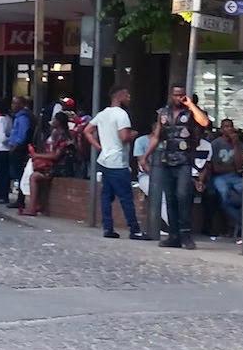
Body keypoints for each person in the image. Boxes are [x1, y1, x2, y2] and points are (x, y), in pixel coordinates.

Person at [146, 85, 209, 248]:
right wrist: (145, 155)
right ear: (170, 95)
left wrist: (191, 105)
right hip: (167, 159)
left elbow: (204, 121)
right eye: (175, 95)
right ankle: (174, 235)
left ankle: (186, 234)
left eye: (181, 95)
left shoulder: (190, 112)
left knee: (183, 195)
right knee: (171, 197)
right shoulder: (163, 113)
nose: (178, 98)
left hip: (184, 160)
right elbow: (157, 136)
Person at [88, 89, 147, 239]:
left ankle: (108, 228)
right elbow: (123, 137)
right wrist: (133, 134)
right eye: (127, 95)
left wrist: (98, 146)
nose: (129, 98)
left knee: (106, 196)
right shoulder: (122, 115)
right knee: (126, 196)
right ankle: (134, 229)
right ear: (118, 96)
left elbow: (87, 130)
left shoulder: (102, 114)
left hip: (104, 159)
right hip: (118, 161)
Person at [200, 119, 243, 241]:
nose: (228, 129)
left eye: (230, 127)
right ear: (221, 129)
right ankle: (241, 223)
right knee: (224, 195)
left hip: (234, 177)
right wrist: (232, 168)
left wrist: (236, 144)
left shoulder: (238, 144)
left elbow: (239, 166)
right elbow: (215, 167)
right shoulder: (216, 144)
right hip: (219, 177)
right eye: (225, 127)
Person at [8, 95, 35, 208]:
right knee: (17, 174)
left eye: (15, 103)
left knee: (19, 174)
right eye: (13, 103)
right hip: (17, 147)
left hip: (19, 149)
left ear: (21, 104)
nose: (13, 106)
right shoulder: (19, 116)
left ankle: (20, 200)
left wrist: (16, 146)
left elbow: (22, 134)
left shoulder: (23, 117)